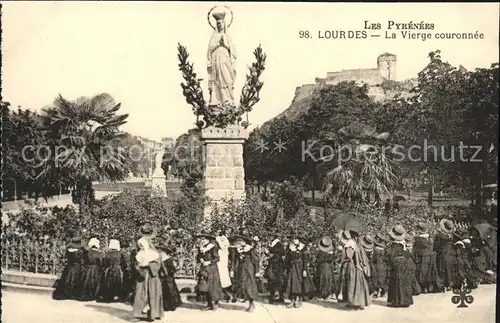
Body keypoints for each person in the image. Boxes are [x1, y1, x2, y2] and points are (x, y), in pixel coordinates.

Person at [207, 10, 237, 110]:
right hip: (216, 61)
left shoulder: (227, 36)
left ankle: (228, 100)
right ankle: (218, 101)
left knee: (227, 78)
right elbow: (209, 50)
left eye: (221, 23)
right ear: (216, 25)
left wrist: (225, 44)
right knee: (218, 80)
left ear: (224, 24)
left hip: (225, 60)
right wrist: (217, 44)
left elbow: (233, 51)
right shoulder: (214, 37)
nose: (220, 25)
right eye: (218, 24)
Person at [131, 237, 163, 322]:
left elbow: (158, 265)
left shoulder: (154, 254)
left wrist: (149, 265)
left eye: (142, 245)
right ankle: (140, 313)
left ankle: (153, 314)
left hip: (152, 276)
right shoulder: (139, 254)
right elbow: (136, 263)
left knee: (152, 293)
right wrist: (138, 268)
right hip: (142, 275)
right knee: (140, 293)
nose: (141, 247)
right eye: (140, 245)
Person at [339, 230, 371, 310]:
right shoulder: (358, 243)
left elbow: (349, 256)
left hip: (352, 266)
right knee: (359, 285)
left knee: (352, 284)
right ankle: (359, 303)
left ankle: (353, 303)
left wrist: (343, 251)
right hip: (359, 267)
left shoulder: (350, 243)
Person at [386, 225, 415, 308]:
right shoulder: (403, 244)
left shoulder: (394, 245)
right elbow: (407, 255)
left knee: (396, 282)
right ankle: (405, 301)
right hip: (404, 264)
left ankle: (397, 301)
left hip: (396, 264)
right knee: (404, 282)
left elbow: (391, 255)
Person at [284, 234, 315, 308]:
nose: (294, 240)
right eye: (293, 239)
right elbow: (287, 258)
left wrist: (304, 270)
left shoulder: (303, 247)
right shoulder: (290, 247)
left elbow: (305, 259)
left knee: (300, 283)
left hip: (300, 268)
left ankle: (299, 300)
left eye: (296, 239)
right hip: (292, 268)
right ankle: (292, 300)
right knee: (291, 283)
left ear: (299, 240)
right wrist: (287, 267)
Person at [231, 234, 260, 312]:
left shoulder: (250, 249)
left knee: (249, 286)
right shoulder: (238, 250)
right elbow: (236, 261)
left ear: (245, 242)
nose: (239, 242)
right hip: (241, 269)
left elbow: (256, 260)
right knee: (243, 286)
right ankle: (249, 303)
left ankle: (252, 304)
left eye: (241, 241)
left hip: (249, 269)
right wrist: (232, 270)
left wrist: (257, 271)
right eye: (238, 241)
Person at [411, 223, 443, 293]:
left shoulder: (418, 239)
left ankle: (422, 287)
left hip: (421, 257)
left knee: (421, 272)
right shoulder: (429, 238)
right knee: (429, 271)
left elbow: (415, 249)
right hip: (430, 256)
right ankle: (428, 286)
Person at [195, 233, 222, 311]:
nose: (202, 241)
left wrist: (209, 262)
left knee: (213, 286)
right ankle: (209, 304)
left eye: (204, 239)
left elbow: (217, 258)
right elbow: (198, 257)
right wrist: (200, 259)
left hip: (212, 269)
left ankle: (215, 304)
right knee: (205, 286)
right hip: (204, 269)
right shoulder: (201, 248)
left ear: (208, 240)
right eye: (201, 239)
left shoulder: (213, 247)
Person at [158, 242, 182, 311]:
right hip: (163, 277)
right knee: (164, 291)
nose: (160, 252)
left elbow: (173, 269)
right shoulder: (161, 259)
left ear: (165, 252)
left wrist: (168, 271)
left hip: (169, 277)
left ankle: (172, 305)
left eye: (161, 251)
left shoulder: (169, 259)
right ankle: (165, 306)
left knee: (170, 290)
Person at [434, 219, 457, 291]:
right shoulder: (453, 236)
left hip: (442, 254)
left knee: (442, 269)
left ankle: (442, 285)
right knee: (449, 269)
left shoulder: (439, 236)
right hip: (451, 254)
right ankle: (450, 283)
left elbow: (436, 246)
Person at [265, 232, 286, 304]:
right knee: (273, 280)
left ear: (274, 237)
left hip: (277, 265)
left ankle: (277, 297)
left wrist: (271, 255)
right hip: (273, 264)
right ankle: (275, 297)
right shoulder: (273, 244)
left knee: (276, 280)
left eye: (270, 236)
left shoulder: (278, 244)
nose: (269, 237)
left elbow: (281, 253)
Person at [215, 229, 233, 302]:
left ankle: (228, 296)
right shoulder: (221, 241)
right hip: (220, 263)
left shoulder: (223, 240)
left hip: (222, 264)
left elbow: (223, 246)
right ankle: (223, 295)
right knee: (221, 280)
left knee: (223, 280)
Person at [370, 233, 388, 299]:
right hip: (383, 266)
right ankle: (384, 291)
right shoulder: (384, 250)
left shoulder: (375, 250)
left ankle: (376, 291)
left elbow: (373, 259)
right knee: (382, 279)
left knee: (376, 279)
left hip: (376, 266)